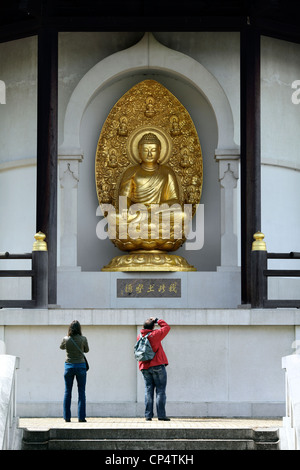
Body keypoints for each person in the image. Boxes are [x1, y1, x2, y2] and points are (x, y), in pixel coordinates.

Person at [138, 317, 171, 421]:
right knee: (160, 391)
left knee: (148, 391)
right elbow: (166, 327)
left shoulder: (139, 336)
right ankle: (161, 415)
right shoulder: (155, 335)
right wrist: (157, 320)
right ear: (153, 327)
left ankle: (148, 415)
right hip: (157, 365)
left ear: (143, 327)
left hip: (144, 367)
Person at [60, 320, 89, 422]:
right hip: (81, 366)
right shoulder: (83, 339)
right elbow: (87, 350)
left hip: (68, 366)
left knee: (68, 392)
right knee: (81, 392)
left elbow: (61, 347)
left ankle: (67, 417)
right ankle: (81, 417)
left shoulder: (66, 339)